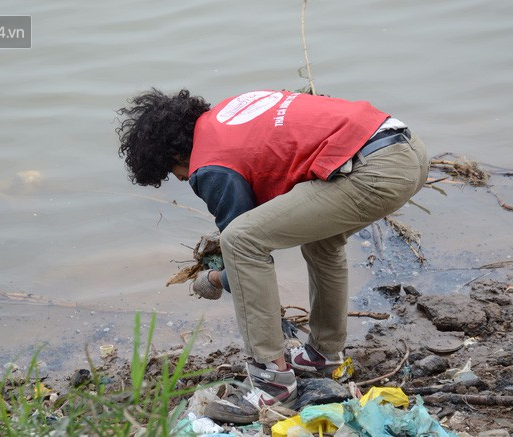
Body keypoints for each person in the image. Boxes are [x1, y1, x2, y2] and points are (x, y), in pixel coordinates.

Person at [117, 88, 428, 423]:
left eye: (172, 172)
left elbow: (244, 259)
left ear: (175, 151)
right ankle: (324, 355)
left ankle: (272, 382)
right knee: (321, 241)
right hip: (408, 151)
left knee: (240, 240)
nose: (182, 178)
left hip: (373, 172)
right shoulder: (230, 111)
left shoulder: (209, 166)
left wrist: (211, 280)